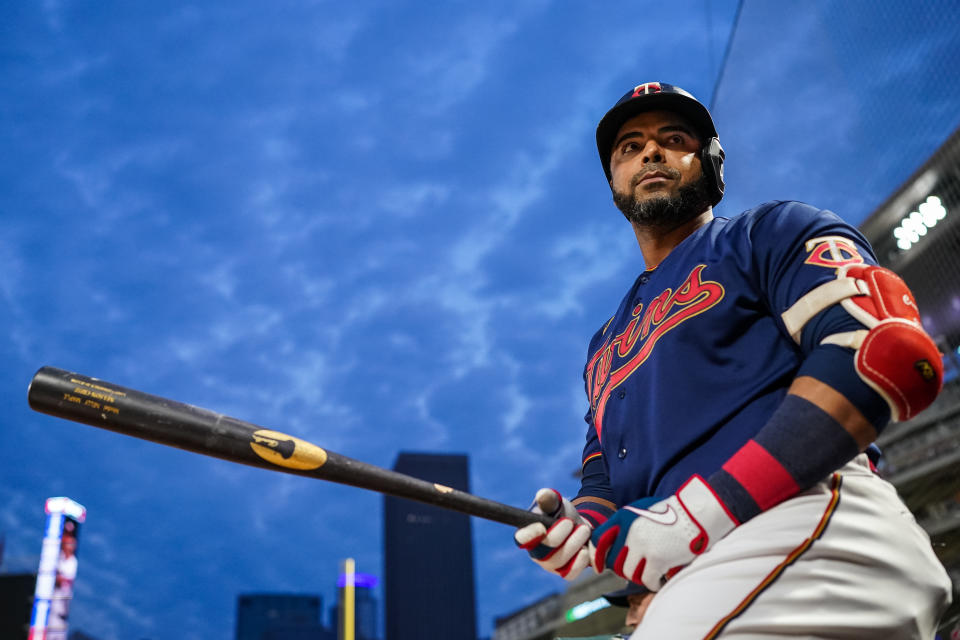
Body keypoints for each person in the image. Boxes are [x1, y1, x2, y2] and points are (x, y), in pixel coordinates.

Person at [515, 82, 953, 638]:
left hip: (804, 522)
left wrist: (702, 512)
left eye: (673, 139)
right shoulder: (606, 343)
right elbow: (605, 472)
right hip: (698, 570)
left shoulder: (771, 232)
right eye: (629, 147)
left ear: (712, 163)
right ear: (613, 182)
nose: (650, 152)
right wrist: (580, 528)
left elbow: (882, 353)